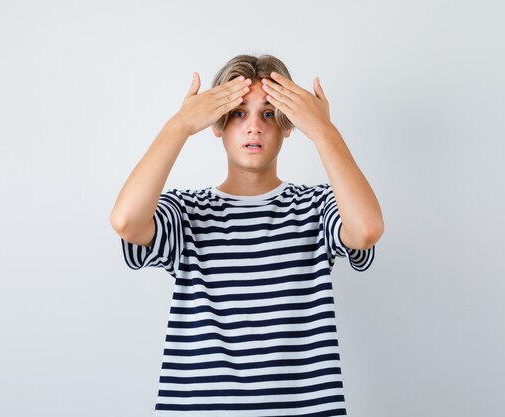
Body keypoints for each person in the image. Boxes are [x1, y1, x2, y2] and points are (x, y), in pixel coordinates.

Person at [110, 53, 384, 416]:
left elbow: (366, 230)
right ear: (217, 123)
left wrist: (323, 131)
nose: (254, 126)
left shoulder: (316, 207)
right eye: (239, 113)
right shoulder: (187, 212)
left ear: (288, 125)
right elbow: (126, 220)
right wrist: (179, 126)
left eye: (268, 114)